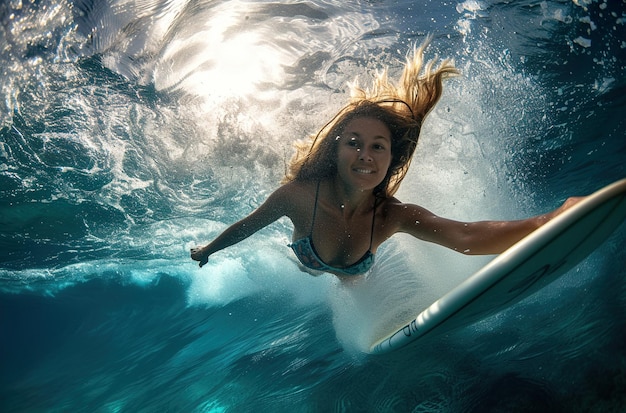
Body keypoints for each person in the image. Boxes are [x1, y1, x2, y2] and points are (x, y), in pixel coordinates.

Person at [190, 39, 582, 279]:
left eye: (378, 146)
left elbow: (464, 236)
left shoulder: (392, 216)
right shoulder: (297, 195)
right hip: (308, 263)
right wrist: (207, 250)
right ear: (335, 149)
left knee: (351, 281)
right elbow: (249, 225)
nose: (365, 154)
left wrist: (551, 219)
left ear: (391, 157)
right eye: (354, 143)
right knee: (310, 272)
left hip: (351, 273)